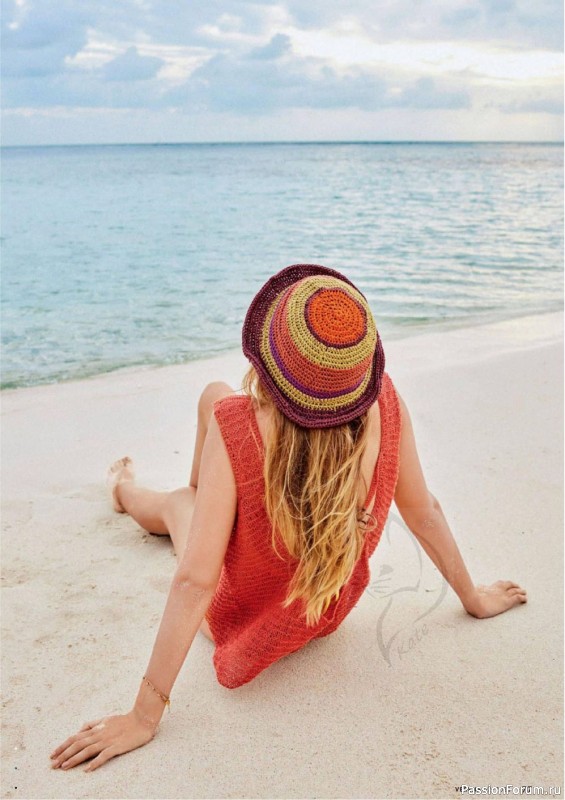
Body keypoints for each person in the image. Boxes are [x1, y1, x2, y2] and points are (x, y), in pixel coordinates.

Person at [50, 263, 527, 773]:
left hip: (244, 617)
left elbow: (195, 582)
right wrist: (473, 598)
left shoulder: (238, 425)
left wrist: (143, 716)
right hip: (325, 608)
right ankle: (201, 489)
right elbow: (423, 511)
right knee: (213, 395)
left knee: (178, 504)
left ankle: (122, 490)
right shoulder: (386, 401)